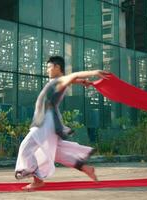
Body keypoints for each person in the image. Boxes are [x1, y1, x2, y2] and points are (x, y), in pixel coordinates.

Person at [15, 55, 110, 191]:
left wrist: (93, 73)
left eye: (49, 67)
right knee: (57, 153)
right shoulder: (57, 81)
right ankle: (86, 168)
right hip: (48, 123)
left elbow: (72, 75)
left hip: (45, 124)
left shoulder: (59, 80)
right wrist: (80, 81)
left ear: (57, 67)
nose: (47, 70)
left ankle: (38, 181)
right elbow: (70, 79)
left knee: (25, 147)